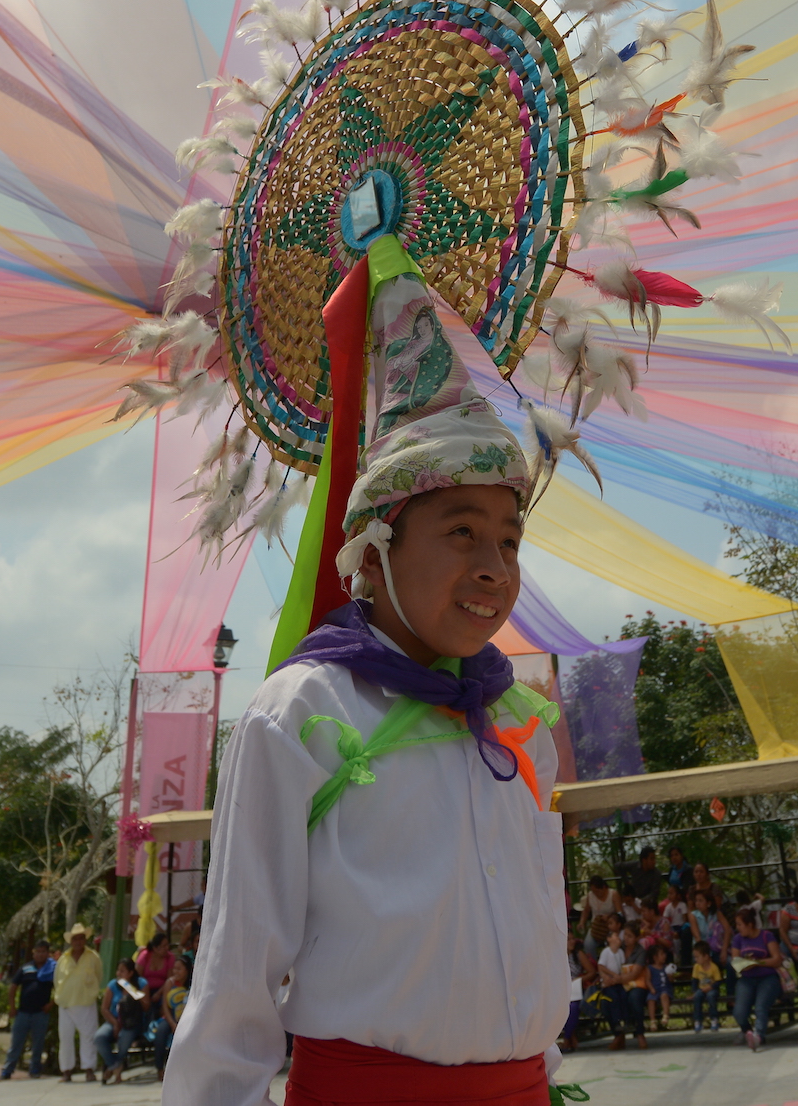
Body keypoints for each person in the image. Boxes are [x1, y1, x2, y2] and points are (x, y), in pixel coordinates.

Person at [168, 245, 570, 1106]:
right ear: (373, 548)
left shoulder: (520, 719)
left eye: (509, 538)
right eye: (461, 531)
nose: (495, 565)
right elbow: (237, 974)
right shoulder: (299, 714)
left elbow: (539, 926)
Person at [52, 924, 102, 1083]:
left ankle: (89, 1070)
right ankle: (66, 1071)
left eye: (81, 938)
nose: (78, 941)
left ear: (85, 939)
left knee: (88, 1037)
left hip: (86, 1003)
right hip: (66, 1004)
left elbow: (99, 976)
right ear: (71, 941)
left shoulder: (93, 956)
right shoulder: (63, 959)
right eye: (75, 938)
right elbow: (56, 980)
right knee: (65, 1038)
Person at [727, 908, 783, 1049]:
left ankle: (759, 1035)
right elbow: (735, 959)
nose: (738, 928)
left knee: (760, 1007)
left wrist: (758, 962)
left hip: (767, 977)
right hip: (747, 978)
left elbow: (777, 959)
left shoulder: (766, 936)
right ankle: (748, 1031)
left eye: (740, 924)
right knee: (739, 1011)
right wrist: (745, 965)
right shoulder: (738, 939)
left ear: (749, 924)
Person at [0, 940, 54, 1080]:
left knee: (38, 1043)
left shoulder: (51, 969)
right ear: (33, 953)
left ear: (47, 953)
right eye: (37, 951)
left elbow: (60, 988)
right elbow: (13, 988)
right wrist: (12, 1007)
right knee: (16, 1042)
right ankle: (8, 1069)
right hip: (23, 1013)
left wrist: (51, 1004)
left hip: (40, 1013)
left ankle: (35, 1069)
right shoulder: (25, 968)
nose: (40, 954)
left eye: (43, 951)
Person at [95, 960, 146, 1087]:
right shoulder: (112, 985)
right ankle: (115, 1066)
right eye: (118, 970)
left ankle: (113, 1069)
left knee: (124, 1038)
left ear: (130, 973)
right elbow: (104, 1009)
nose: (119, 973)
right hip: (114, 1020)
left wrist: (131, 991)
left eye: (122, 971)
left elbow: (146, 1006)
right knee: (99, 1037)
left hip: (132, 1023)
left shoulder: (141, 983)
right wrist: (115, 1023)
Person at [148, 957, 191, 1079]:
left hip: (186, 1017)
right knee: (161, 1033)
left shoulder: (192, 984)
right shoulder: (170, 983)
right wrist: (172, 1024)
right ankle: (160, 1068)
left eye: (179, 969)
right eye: (174, 969)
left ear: (187, 970)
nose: (176, 972)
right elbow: (164, 1007)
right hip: (170, 1016)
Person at [687, 942, 722, 1033]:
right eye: (695, 957)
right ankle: (698, 1021)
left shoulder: (714, 967)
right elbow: (695, 980)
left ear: (706, 956)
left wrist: (711, 987)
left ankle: (714, 1019)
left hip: (712, 989)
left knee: (711, 997)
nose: (696, 959)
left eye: (698, 957)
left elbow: (718, 981)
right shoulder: (696, 967)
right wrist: (694, 992)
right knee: (697, 997)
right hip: (701, 989)